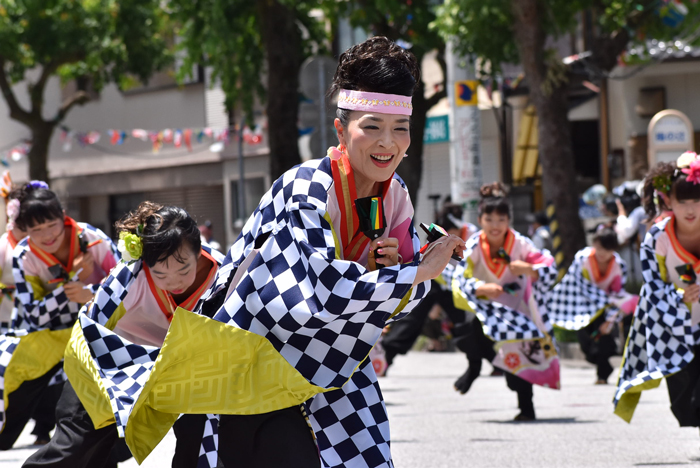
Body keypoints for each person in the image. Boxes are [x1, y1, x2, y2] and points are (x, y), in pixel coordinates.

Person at [203, 36, 465, 468]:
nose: (388, 143)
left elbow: (401, 300)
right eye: (372, 126)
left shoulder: (394, 194)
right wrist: (416, 272)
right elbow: (323, 294)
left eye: (400, 128)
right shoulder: (306, 188)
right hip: (254, 360)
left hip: (336, 360)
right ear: (342, 130)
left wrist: (401, 269)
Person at [25, 202, 225, 468]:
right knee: (76, 446)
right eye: (160, 273)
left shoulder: (224, 277)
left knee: (205, 438)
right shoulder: (128, 277)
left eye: (184, 268)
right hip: (110, 366)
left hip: (182, 372)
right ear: (145, 261)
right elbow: (89, 329)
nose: (175, 281)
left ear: (199, 251)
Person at [0, 182, 118, 451]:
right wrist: (71, 285)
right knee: (12, 378)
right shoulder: (24, 255)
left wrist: (90, 293)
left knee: (89, 409)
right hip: (49, 335)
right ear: (24, 231)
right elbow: (34, 315)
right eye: (35, 229)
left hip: (95, 329)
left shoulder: (91, 238)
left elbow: (127, 288)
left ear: (63, 215)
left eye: (51, 224)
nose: (47, 235)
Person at [445, 182, 559, 421]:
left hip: (516, 311)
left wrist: (529, 268)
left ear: (509, 220)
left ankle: (526, 407)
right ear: (481, 219)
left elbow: (548, 265)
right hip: (484, 309)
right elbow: (460, 276)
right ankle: (475, 367)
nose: (495, 226)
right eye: (489, 219)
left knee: (518, 353)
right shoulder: (474, 244)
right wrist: (481, 287)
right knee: (467, 333)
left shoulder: (521, 243)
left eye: (501, 219)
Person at [614, 151, 700, 427]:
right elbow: (653, 288)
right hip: (674, 324)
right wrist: (679, 296)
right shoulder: (658, 237)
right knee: (682, 404)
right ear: (668, 200)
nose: (690, 209)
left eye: (697, 201)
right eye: (683, 201)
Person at [547, 227, 638, 384]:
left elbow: (617, 294)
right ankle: (603, 365)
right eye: (600, 247)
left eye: (607, 249)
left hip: (604, 309)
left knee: (603, 338)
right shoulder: (582, 259)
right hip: (581, 306)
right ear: (594, 243)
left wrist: (610, 320)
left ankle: (602, 375)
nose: (602, 253)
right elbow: (575, 284)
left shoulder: (618, 265)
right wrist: (601, 298)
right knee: (585, 342)